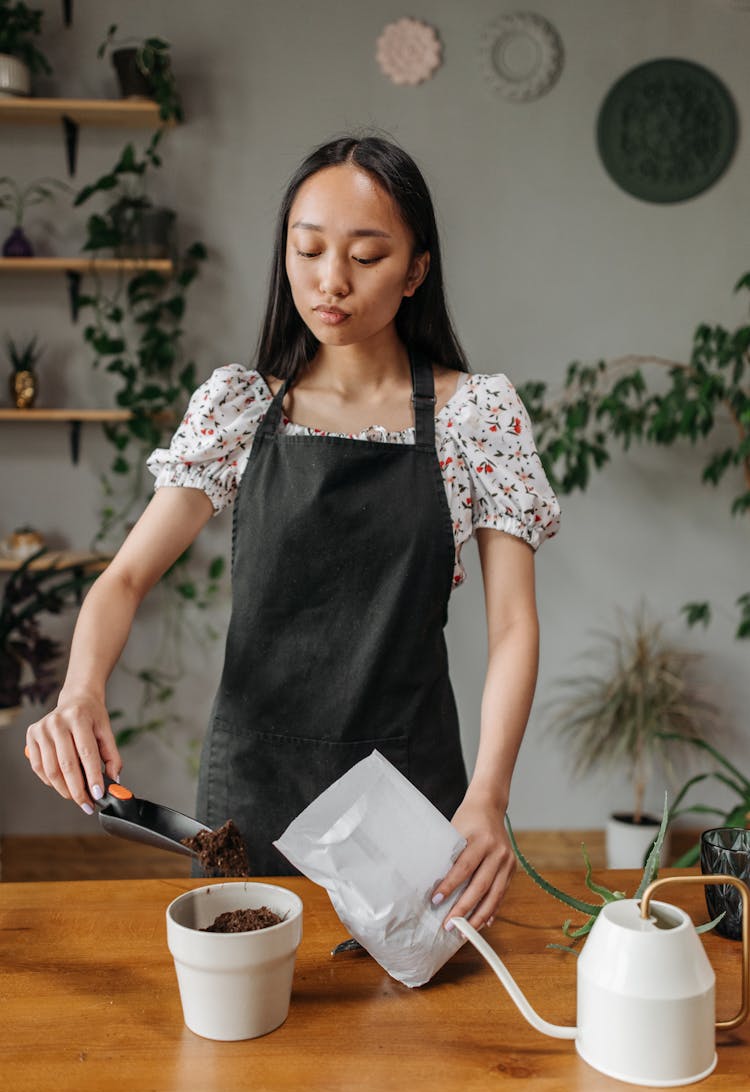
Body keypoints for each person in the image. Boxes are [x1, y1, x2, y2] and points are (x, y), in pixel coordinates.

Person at [25, 133, 560, 931]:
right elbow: (126, 577)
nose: (331, 280)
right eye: (307, 250)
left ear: (417, 269)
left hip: (411, 791)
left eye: (367, 256)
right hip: (256, 786)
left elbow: (513, 623)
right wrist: (79, 690)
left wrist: (489, 795)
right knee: (253, 1028)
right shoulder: (240, 409)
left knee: (413, 1039)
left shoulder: (474, 416)